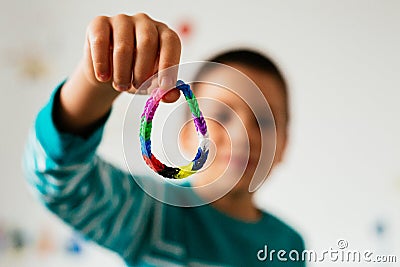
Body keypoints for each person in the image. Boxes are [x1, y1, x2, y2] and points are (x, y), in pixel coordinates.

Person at [23, 13, 305, 266]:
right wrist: (95, 83)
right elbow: (60, 185)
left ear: (284, 144)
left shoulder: (290, 247)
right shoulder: (151, 213)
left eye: (265, 121)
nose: (243, 133)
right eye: (222, 113)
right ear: (186, 134)